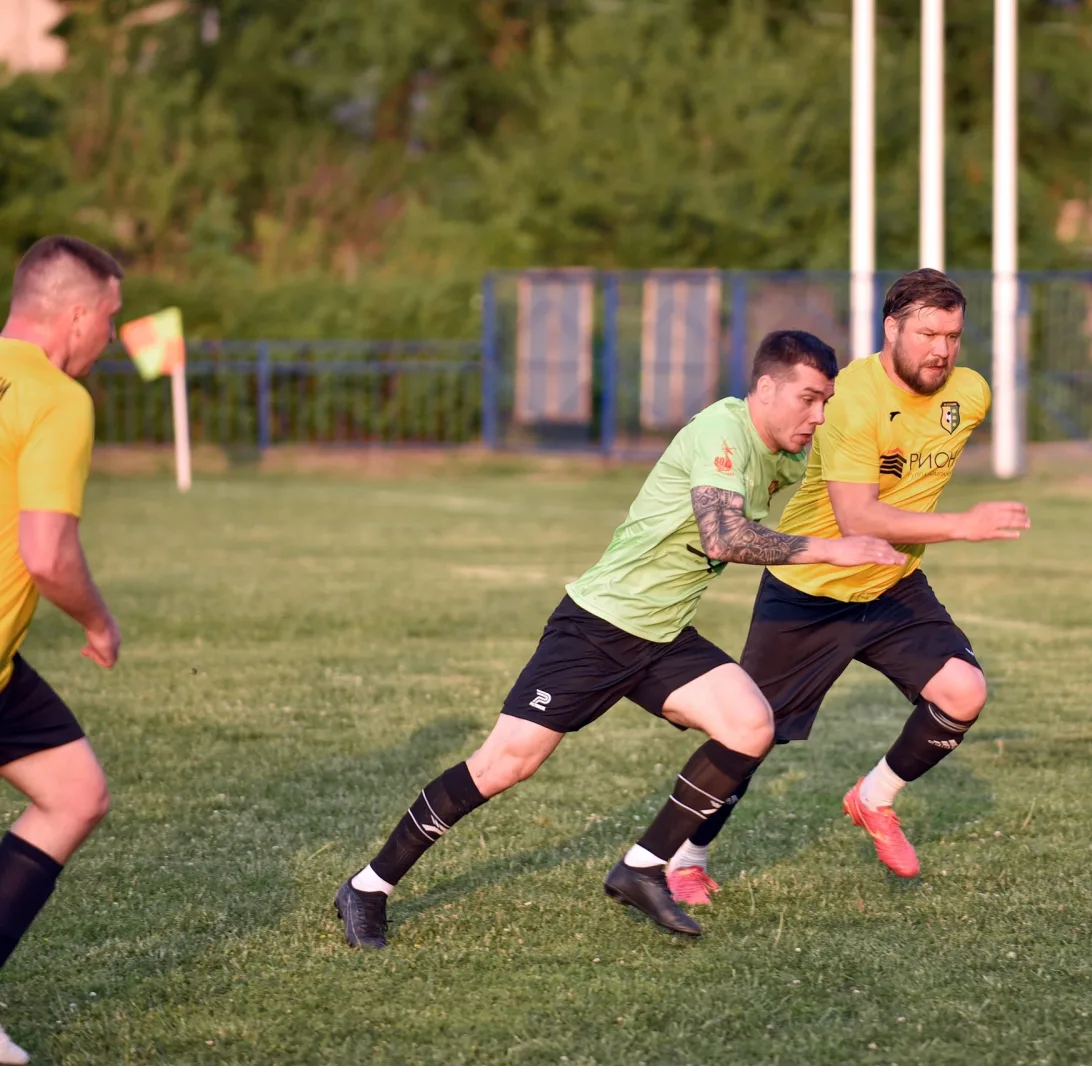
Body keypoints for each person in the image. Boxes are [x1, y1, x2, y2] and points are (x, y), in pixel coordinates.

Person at [334, 330, 903, 945]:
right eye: (809, 399)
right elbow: (724, 538)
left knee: (750, 726)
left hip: (661, 634)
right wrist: (832, 550)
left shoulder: (789, 453)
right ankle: (368, 886)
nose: (818, 416)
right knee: (503, 766)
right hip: (599, 626)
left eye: (827, 402)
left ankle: (642, 868)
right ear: (765, 388)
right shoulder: (723, 430)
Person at [664, 269, 1030, 905]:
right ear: (891, 329)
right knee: (749, 734)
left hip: (892, 583)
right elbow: (858, 515)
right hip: (810, 589)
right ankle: (681, 856)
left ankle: (873, 798)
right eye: (926, 333)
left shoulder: (969, 395)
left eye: (953, 335)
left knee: (964, 690)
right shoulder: (851, 400)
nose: (941, 349)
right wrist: (963, 526)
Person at [0, 236, 125, 1066]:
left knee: (73, 791)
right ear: (75, 314)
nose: (112, 338)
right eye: (110, 319)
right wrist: (98, 622)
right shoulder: (56, 397)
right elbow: (47, 554)